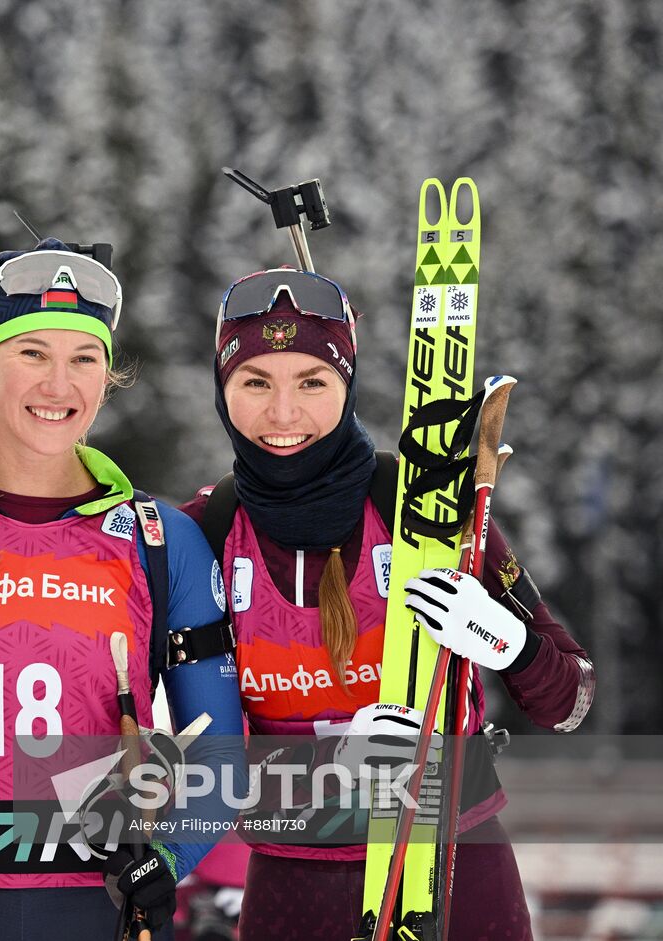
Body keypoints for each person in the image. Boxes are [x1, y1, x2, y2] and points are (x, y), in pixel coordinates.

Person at [180, 267, 595, 940]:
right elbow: (166, 746)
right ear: (222, 391)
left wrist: (506, 642)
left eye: (312, 382)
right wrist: (331, 772)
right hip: (293, 883)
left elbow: (571, 699)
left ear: (347, 386)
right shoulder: (205, 531)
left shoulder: (424, 508)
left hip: (453, 866)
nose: (283, 413)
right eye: (255, 382)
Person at [0, 238, 247, 940]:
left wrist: (162, 860)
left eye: (83, 359)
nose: (58, 384)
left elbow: (220, 756)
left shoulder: (159, 539)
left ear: (107, 374)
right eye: (31, 353)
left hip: (94, 908)